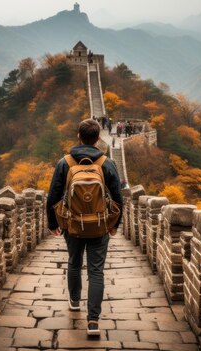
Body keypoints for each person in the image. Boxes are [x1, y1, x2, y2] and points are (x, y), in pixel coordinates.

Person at [46, 120, 123, 337]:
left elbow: (52, 196)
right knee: (96, 271)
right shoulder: (106, 163)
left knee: (74, 262)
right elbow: (118, 198)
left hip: (72, 224)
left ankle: (74, 300)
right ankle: (93, 321)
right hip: (99, 226)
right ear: (98, 138)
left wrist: (53, 224)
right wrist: (114, 224)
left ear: (78, 135)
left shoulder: (65, 162)